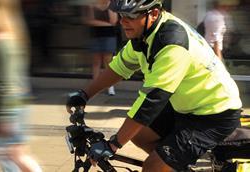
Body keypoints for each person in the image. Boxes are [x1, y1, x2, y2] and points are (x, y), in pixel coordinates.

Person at [66, 0, 242, 171]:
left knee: (153, 167)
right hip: (186, 103)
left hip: (213, 113)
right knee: (140, 135)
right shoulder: (143, 34)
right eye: (121, 15)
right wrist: (84, 94)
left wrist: (113, 144)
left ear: (154, 13)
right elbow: (118, 68)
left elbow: (150, 102)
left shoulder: (172, 43)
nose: (123, 21)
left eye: (130, 15)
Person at [0, 0, 42, 171]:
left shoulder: (3, 40)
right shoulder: (13, 35)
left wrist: (5, 118)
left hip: (9, 108)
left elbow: (8, 83)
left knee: (13, 156)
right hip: (14, 106)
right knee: (13, 156)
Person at [82, 0, 119, 95]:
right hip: (95, 36)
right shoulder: (92, 5)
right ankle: (96, 87)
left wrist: (108, 6)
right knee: (96, 62)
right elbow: (90, 21)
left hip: (109, 36)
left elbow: (113, 21)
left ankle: (110, 87)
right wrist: (106, 24)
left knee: (108, 62)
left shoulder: (112, 5)